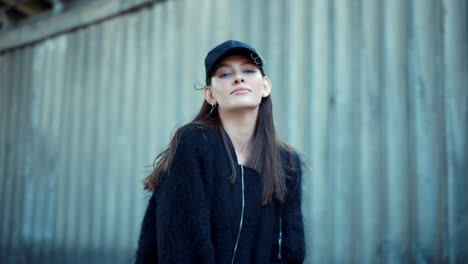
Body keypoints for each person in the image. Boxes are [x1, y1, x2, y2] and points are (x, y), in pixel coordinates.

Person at [135, 40, 305, 264]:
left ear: (265, 86)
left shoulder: (287, 162)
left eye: (248, 70)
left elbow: (290, 251)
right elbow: (181, 246)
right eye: (224, 74)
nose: (238, 77)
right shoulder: (193, 143)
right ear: (210, 95)